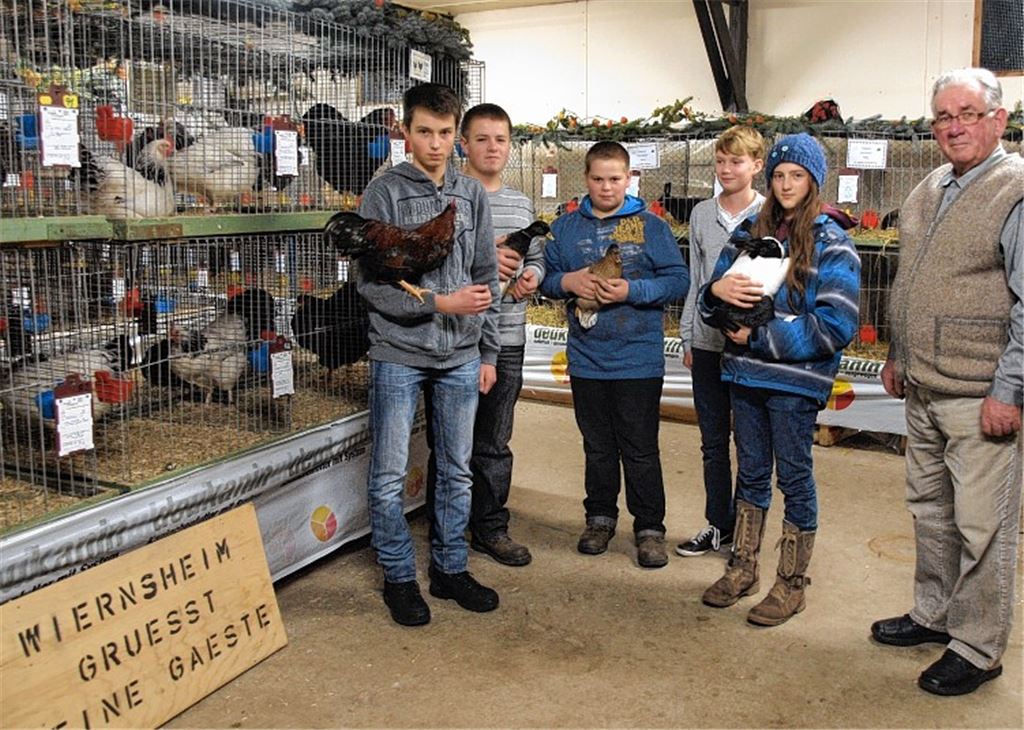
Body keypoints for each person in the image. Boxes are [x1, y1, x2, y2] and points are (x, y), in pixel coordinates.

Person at [870, 68, 1023, 696]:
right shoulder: (931, 186)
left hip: (979, 391)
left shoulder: (1015, 191)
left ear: (999, 118)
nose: (953, 126)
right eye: (942, 116)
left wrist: (1009, 391)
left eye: (967, 113)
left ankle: (980, 645)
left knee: (983, 523)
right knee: (930, 511)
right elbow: (914, 280)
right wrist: (900, 353)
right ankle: (934, 615)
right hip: (924, 383)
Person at [353, 83, 502, 627]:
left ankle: (450, 568)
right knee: (390, 473)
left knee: (456, 470)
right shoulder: (384, 193)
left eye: (444, 133)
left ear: (455, 134)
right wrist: (441, 302)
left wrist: (486, 348)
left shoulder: (472, 195)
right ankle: (398, 576)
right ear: (406, 133)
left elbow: (485, 276)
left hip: (462, 355)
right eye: (424, 132)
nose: (436, 144)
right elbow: (369, 284)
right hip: (399, 351)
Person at [698, 133, 859, 625]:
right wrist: (715, 293)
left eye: (798, 175)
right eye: (780, 175)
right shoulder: (751, 229)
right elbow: (715, 300)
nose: (786, 184)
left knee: (793, 476)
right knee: (749, 472)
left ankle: (791, 583)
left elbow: (838, 323)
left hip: (794, 381)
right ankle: (743, 565)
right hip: (744, 375)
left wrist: (759, 336)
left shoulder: (832, 240)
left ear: (814, 181)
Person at [539, 140, 687, 569]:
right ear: (585, 180)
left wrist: (632, 291)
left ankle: (650, 528)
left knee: (640, 447)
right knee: (598, 446)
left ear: (629, 179)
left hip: (638, 358)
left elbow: (678, 279)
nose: (607, 187)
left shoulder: (649, 226)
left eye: (615, 179)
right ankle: (599, 518)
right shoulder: (565, 229)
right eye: (599, 179)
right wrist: (569, 282)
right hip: (587, 358)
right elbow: (545, 279)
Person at [458, 103, 546, 566]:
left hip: (509, 335)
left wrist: (532, 274)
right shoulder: (450, 198)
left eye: (501, 140)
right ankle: (450, 525)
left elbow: (537, 257)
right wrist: (484, 258)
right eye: (482, 139)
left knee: (494, 439)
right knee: (452, 439)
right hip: (458, 336)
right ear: (464, 144)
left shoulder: (520, 203)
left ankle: (490, 526)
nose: (492, 148)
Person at [676, 125, 766, 558]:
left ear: (756, 165)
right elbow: (696, 280)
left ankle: (748, 532)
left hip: (752, 345)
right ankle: (718, 525)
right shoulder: (700, 214)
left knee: (750, 443)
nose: (727, 169)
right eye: (721, 161)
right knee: (712, 441)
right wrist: (688, 334)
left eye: (737, 161)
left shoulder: (769, 214)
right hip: (709, 344)